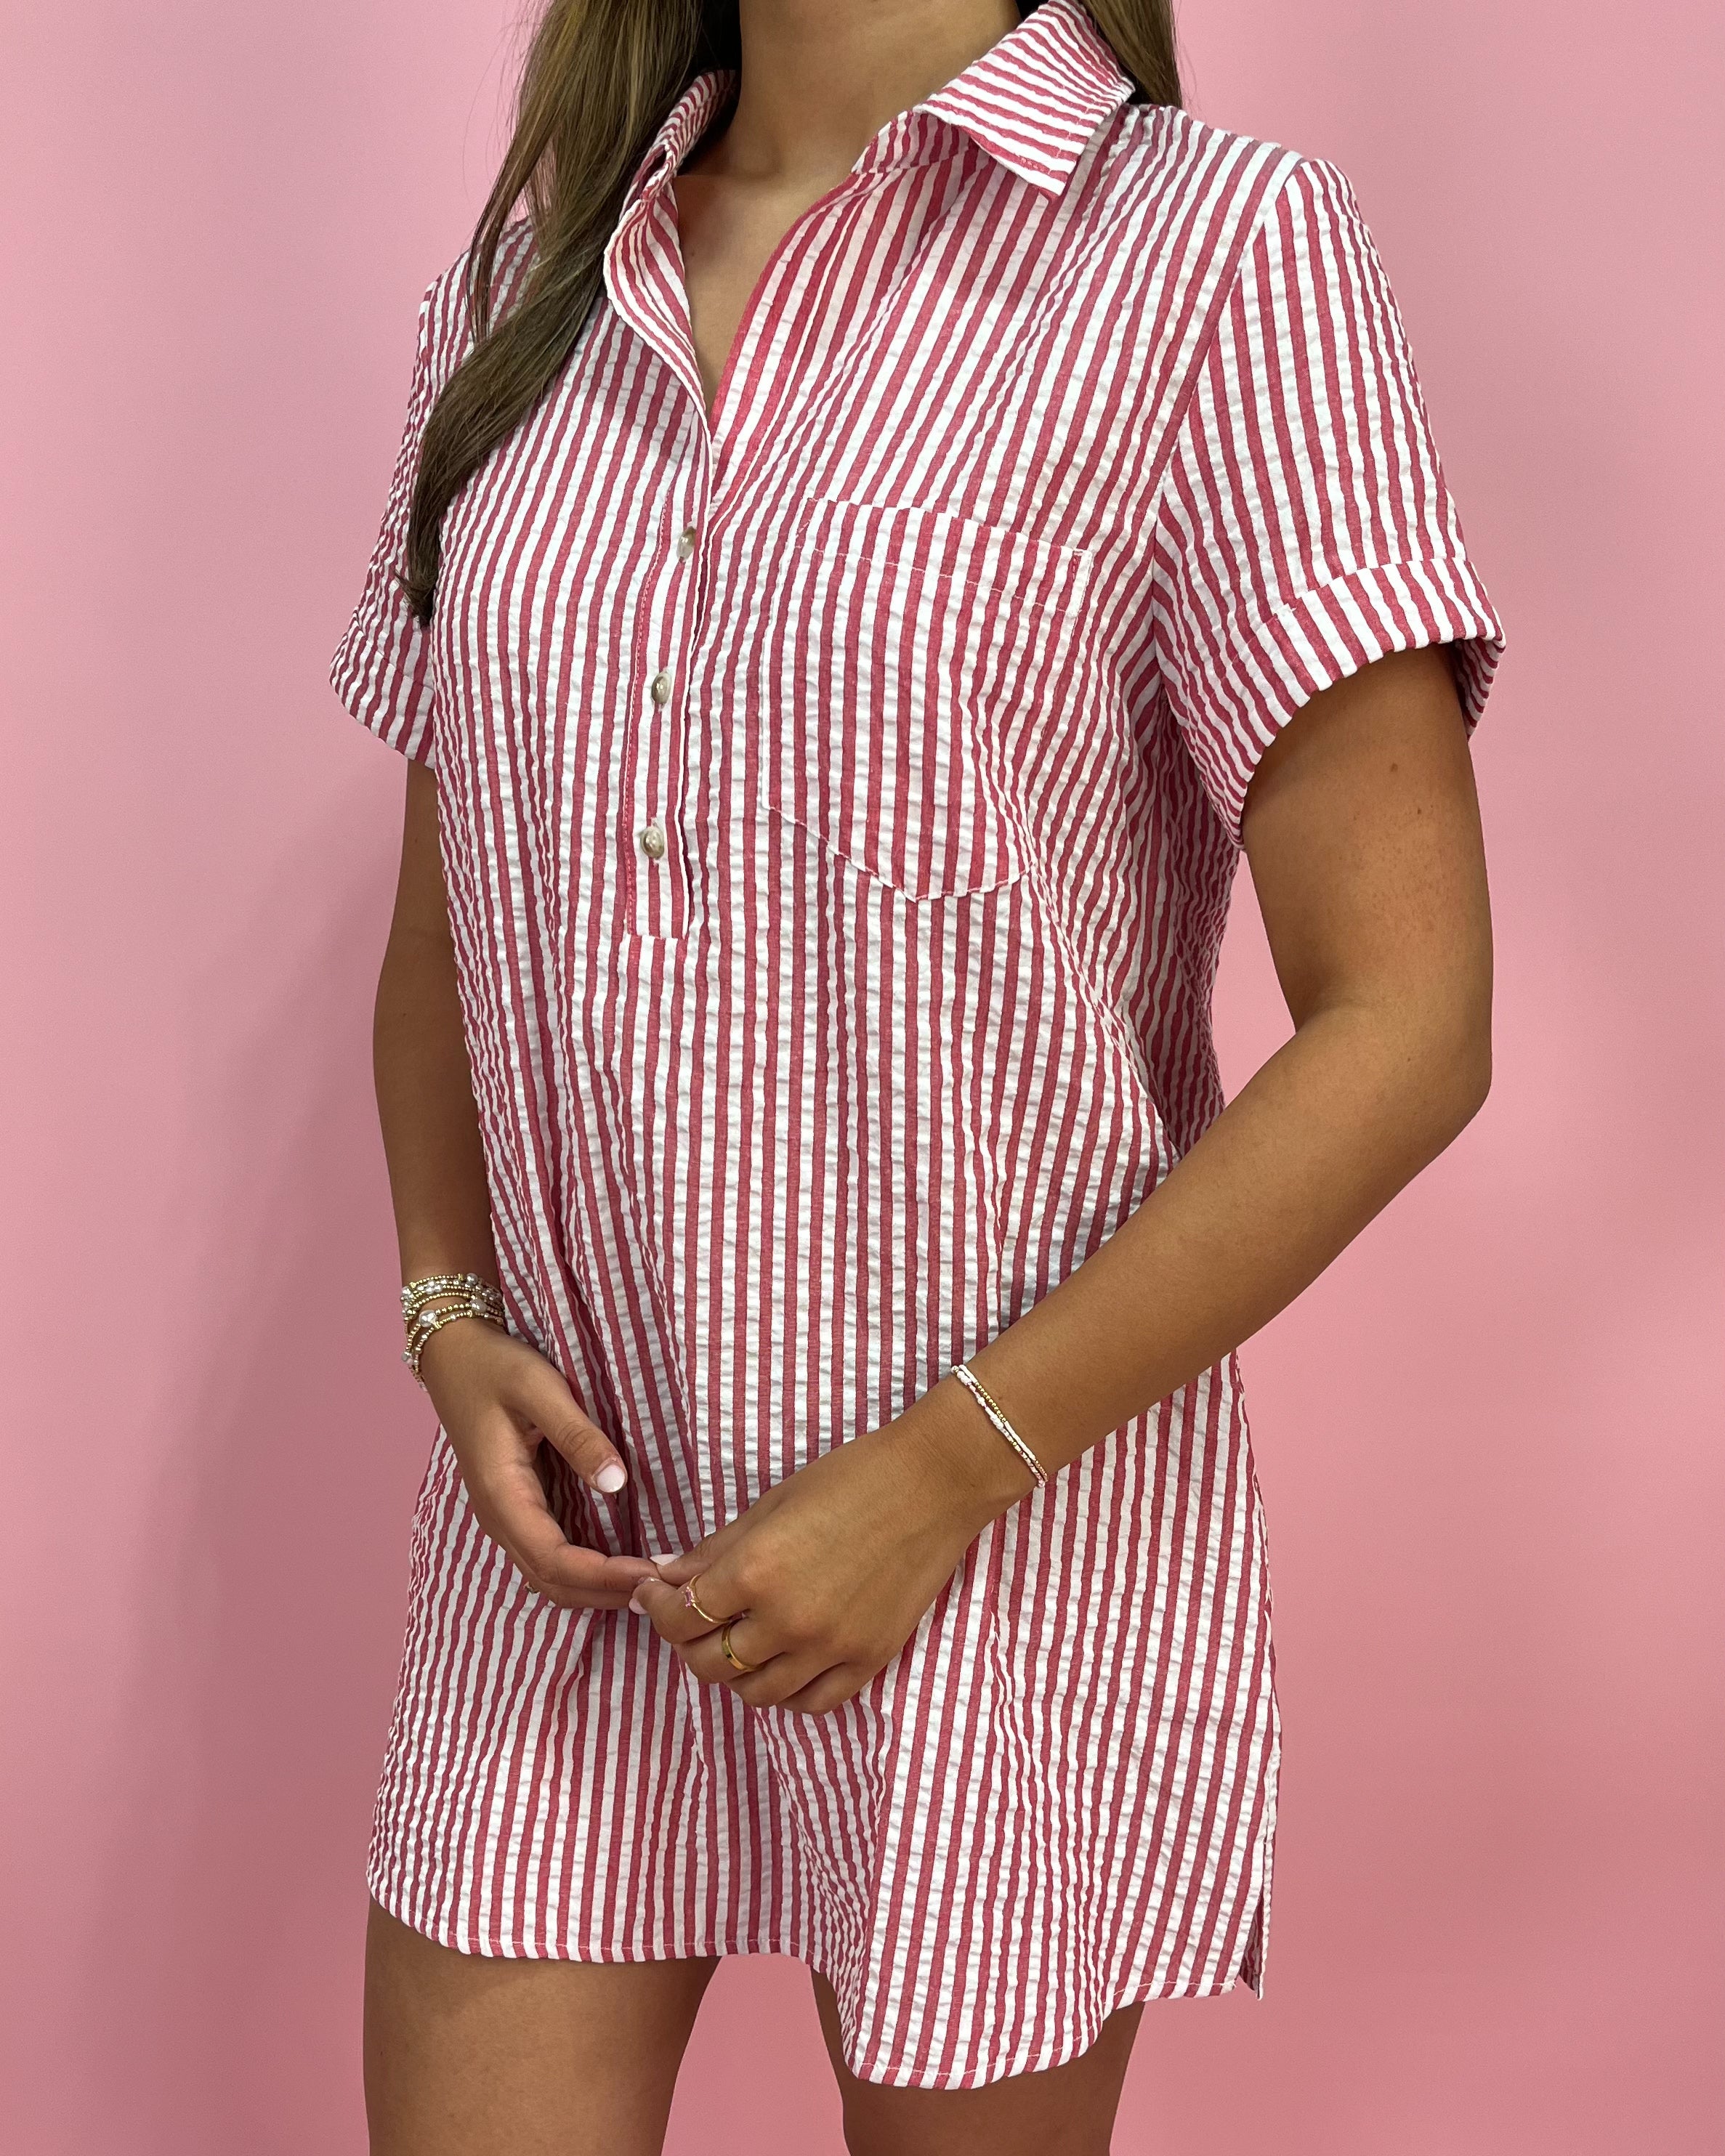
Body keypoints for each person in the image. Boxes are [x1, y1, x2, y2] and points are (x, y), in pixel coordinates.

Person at [331, 0, 1506, 2148]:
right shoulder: (523, 293)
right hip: (567, 1545)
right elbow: (449, 917)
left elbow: (1409, 1021)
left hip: (994, 1539)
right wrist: (444, 1303)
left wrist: (939, 1477)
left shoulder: (1214, 257)